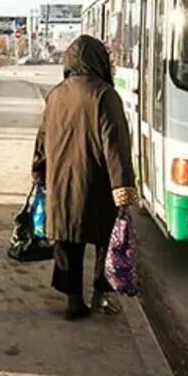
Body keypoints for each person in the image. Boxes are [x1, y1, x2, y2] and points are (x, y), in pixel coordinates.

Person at [31, 35, 137, 321]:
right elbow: (116, 145)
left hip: (62, 183)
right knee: (107, 239)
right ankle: (100, 295)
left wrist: (38, 171)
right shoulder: (104, 94)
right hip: (97, 183)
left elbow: (42, 137)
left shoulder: (55, 94)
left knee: (67, 239)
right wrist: (123, 188)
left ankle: (73, 301)